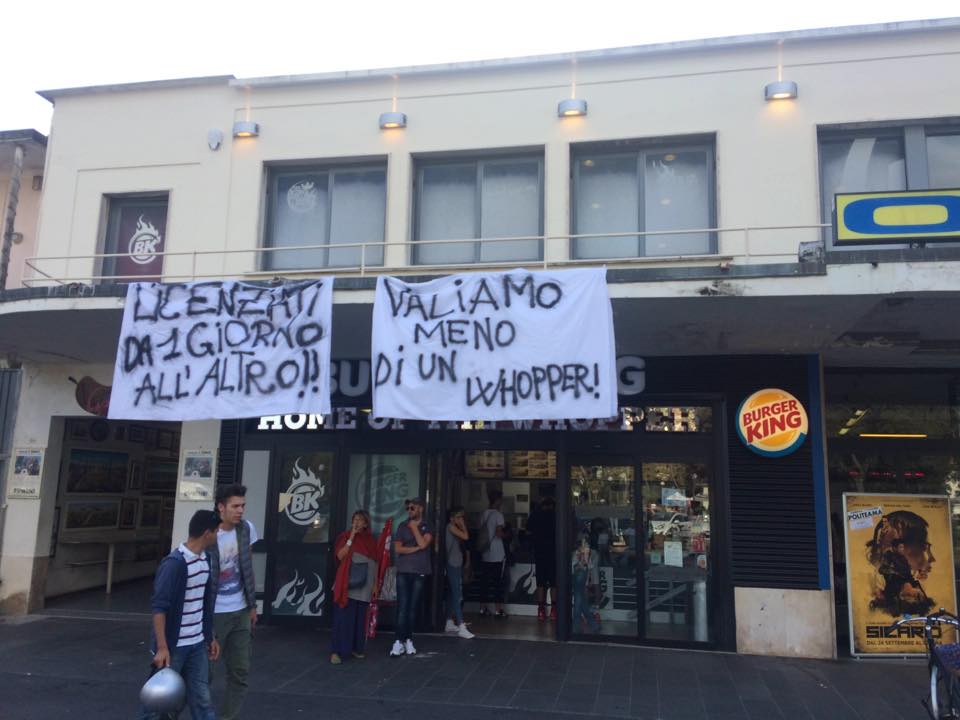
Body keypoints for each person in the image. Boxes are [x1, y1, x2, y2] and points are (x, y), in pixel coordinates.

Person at [136, 510, 221, 720]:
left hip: (197, 644)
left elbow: (204, 603)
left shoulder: (206, 560)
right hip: (174, 646)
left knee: (202, 699)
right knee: (156, 703)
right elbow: (159, 607)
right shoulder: (174, 564)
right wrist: (162, 647)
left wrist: (209, 636)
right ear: (207, 533)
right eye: (216, 531)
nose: (218, 535)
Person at [208, 484, 258, 720]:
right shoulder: (208, 533)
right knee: (204, 673)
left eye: (243, 506)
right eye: (235, 506)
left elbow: (247, 567)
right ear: (221, 507)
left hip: (240, 610)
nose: (240, 511)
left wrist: (252, 605)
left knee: (240, 672)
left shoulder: (247, 529)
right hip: (214, 613)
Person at [331, 509, 380, 663]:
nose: (357, 523)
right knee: (344, 618)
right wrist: (351, 537)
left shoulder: (371, 540)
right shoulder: (345, 536)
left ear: (366, 524)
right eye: (355, 519)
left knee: (359, 619)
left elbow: (375, 562)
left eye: (360, 520)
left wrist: (375, 584)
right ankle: (337, 651)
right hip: (348, 582)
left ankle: (356, 648)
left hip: (365, 583)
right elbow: (340, 555)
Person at [391, 497, 433, 657]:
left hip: (419, 570)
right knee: (402, 607)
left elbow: (424, 544)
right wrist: (416, 549)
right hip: (403, 570)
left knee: (412, 608)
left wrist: (415, 528)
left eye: (412, 508)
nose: (409, 511)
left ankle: (408, 639)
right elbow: (398, 549)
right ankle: (398, 641)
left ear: (421, 508)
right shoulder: (402, 525)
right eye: (408, 508)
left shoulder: (427, 525)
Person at [444, 506, 475, 639]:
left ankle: (449, 622)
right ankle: (461, 625)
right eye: (459, 517)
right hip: (452, 564)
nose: (461, 519)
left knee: (453, 593)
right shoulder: (450, 527)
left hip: (456, 563)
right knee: (457, 594)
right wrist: (463, 525)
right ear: (452, 518)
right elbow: (466, 536)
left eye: (462, 517)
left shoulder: (453, 527)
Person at [527, 496, 558, 621]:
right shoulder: (556, 516)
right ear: (552, 505)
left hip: (539, 552)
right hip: (553, 553)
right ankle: (554, 610)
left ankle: (540, 611)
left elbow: (527, 532)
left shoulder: (535, 515)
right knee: (554, 583)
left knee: (540, 583)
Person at [480, 490, 507, 618]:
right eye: (501, 500)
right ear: (497, 501)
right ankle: (498, 609)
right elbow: (498, 533)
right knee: (497, 583)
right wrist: (507, 534)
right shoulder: (498, 515)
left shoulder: (484, 514)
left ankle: (482, 608)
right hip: (497, 554)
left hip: (485, 553)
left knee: (485, 582)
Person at [572, 534, 601, 633]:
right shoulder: (588, 550)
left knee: (578, 599)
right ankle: (592, 623)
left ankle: (577, 625)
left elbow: (579, 565)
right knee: (581, 599)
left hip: (578, 572)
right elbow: (589, 565)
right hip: (582, 571)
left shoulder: (578, 550)